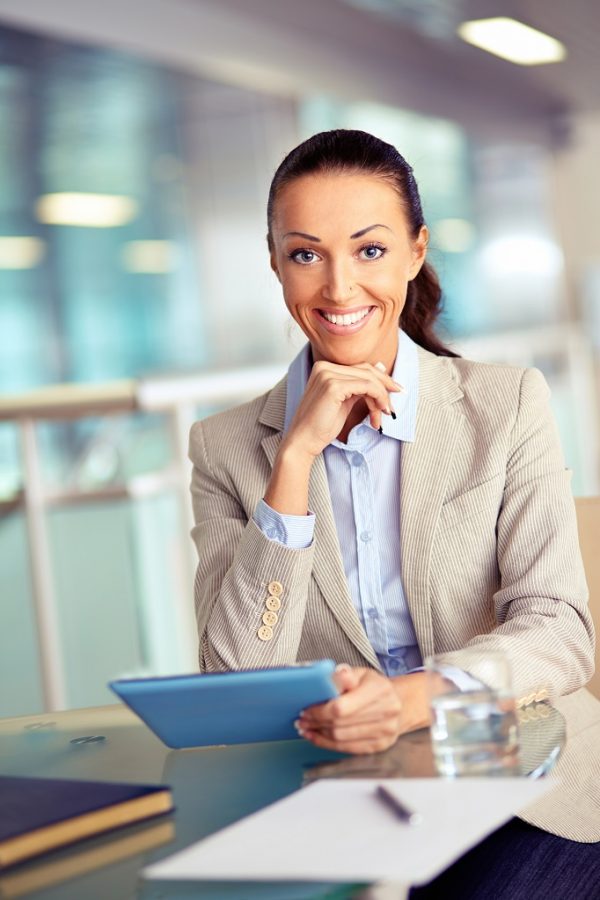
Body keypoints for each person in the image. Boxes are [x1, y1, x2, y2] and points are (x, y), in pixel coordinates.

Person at [189, 130, 600, 896]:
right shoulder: (224, 447)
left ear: (416, 251)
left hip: (515, 762)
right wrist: (294, 464)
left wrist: (414, 699)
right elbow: (234, 680)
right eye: (307, 254)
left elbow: (559, 629)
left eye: (369, 250)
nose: (340, 289)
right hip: (344, 789)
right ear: (276, 263)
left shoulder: (505, 404)